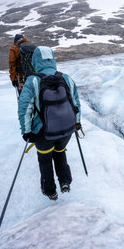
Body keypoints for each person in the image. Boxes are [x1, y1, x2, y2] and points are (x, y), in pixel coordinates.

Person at [18, 46, 81, 201]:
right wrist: (77, 123)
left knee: (45, 160)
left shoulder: (33, 80)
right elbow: (76, 103)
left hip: (43, 133)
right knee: (60, 153)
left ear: (35, 60)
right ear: (52, 59)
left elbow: (25, 108)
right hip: (66, 130)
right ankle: (65, 182)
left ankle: (50, 191)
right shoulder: (66, 78)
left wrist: (27, 131)